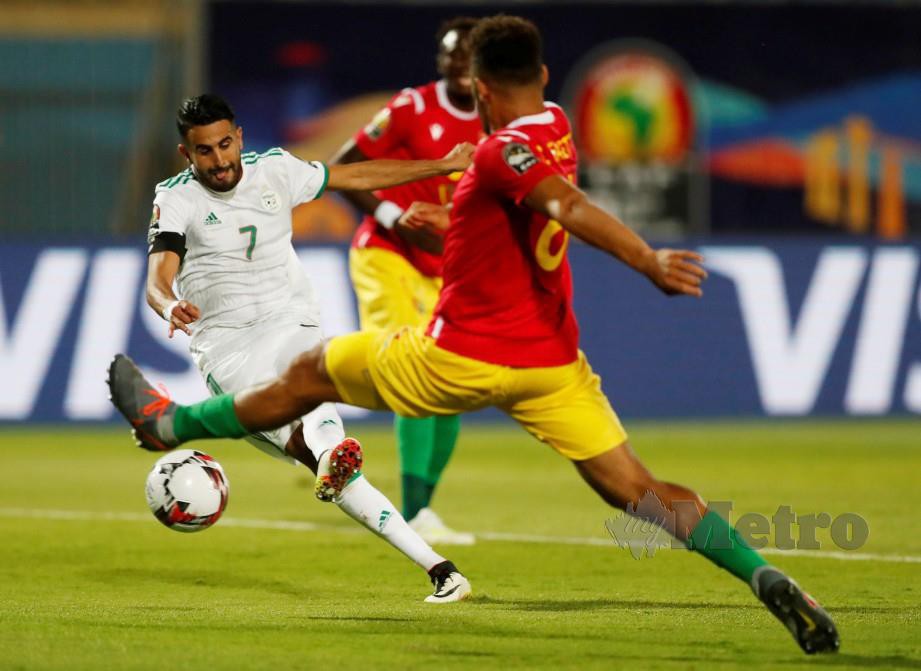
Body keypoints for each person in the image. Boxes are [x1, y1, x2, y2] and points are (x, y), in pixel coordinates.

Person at [110, 19, 839, 654]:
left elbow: (563, 204)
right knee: (640, 492)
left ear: (481, 90)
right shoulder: (556, 126)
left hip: (458, 355)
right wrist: (429, 211)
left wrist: (645, 258)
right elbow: (536, 198)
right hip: (552, 365)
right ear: (543, 77)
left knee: (307, 373)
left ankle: (171, 422)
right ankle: (763, 572)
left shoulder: (496, 154)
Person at [137, 93, 474, 603]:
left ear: (240, 138)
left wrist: (444, 165)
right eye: (204, 151)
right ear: (188, 154)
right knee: (321, 458)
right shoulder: (176, 197)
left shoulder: (275, 169)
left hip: (289, 319)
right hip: (227, 348)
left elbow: (356, 176)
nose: (219, 159)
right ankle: (440, 569)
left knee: (310, 396)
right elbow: (158, 279)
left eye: (225, 144)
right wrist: (168, 307)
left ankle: (334, 458)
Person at [329, 17, 482, 545]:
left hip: (449, 269)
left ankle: (423, 507)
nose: (459, 67)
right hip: (387, 256)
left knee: (452, 386)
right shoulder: (412, 108)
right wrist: (396, 219)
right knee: (414, 371)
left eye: (469, 57)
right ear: (440, 63)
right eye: (450, 58)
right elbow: (343, 166)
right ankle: (412, 511)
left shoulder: (502, 121)